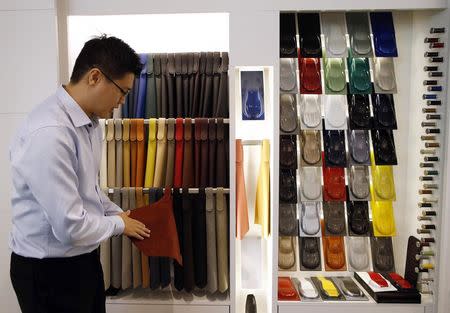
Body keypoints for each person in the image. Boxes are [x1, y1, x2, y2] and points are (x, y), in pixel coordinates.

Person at [9, 35, 151, 313]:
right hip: (48, 271)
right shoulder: (51, 132)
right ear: (95, 77)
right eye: (122, 91)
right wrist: (120, 225)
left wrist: (115, 213)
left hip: (80, 260)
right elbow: (69, 227)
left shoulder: (90, 124)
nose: (122, 101)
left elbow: (89, 189)